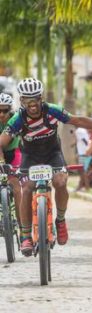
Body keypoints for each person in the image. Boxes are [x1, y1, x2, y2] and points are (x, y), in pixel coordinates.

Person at [0, 78, 92, 256]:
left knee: (60, 181)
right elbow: (2, 142)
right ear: (22, 101)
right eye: (27, 100)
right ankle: (26, 235)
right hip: (30, 156)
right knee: (26, 188)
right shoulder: (18, 118)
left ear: (41, 97)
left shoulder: (52, 110)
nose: (32, 104)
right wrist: (2, 164)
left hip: (52, 154)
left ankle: (60, 220)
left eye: (35, 98)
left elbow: (78, 120)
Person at [0, 93, 22, 229]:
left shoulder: (16, 119)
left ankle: (22, 226)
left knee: (16, 188)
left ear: (10, 110)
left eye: (5, 110)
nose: (2, 114)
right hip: (0, 153)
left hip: (14, 153)